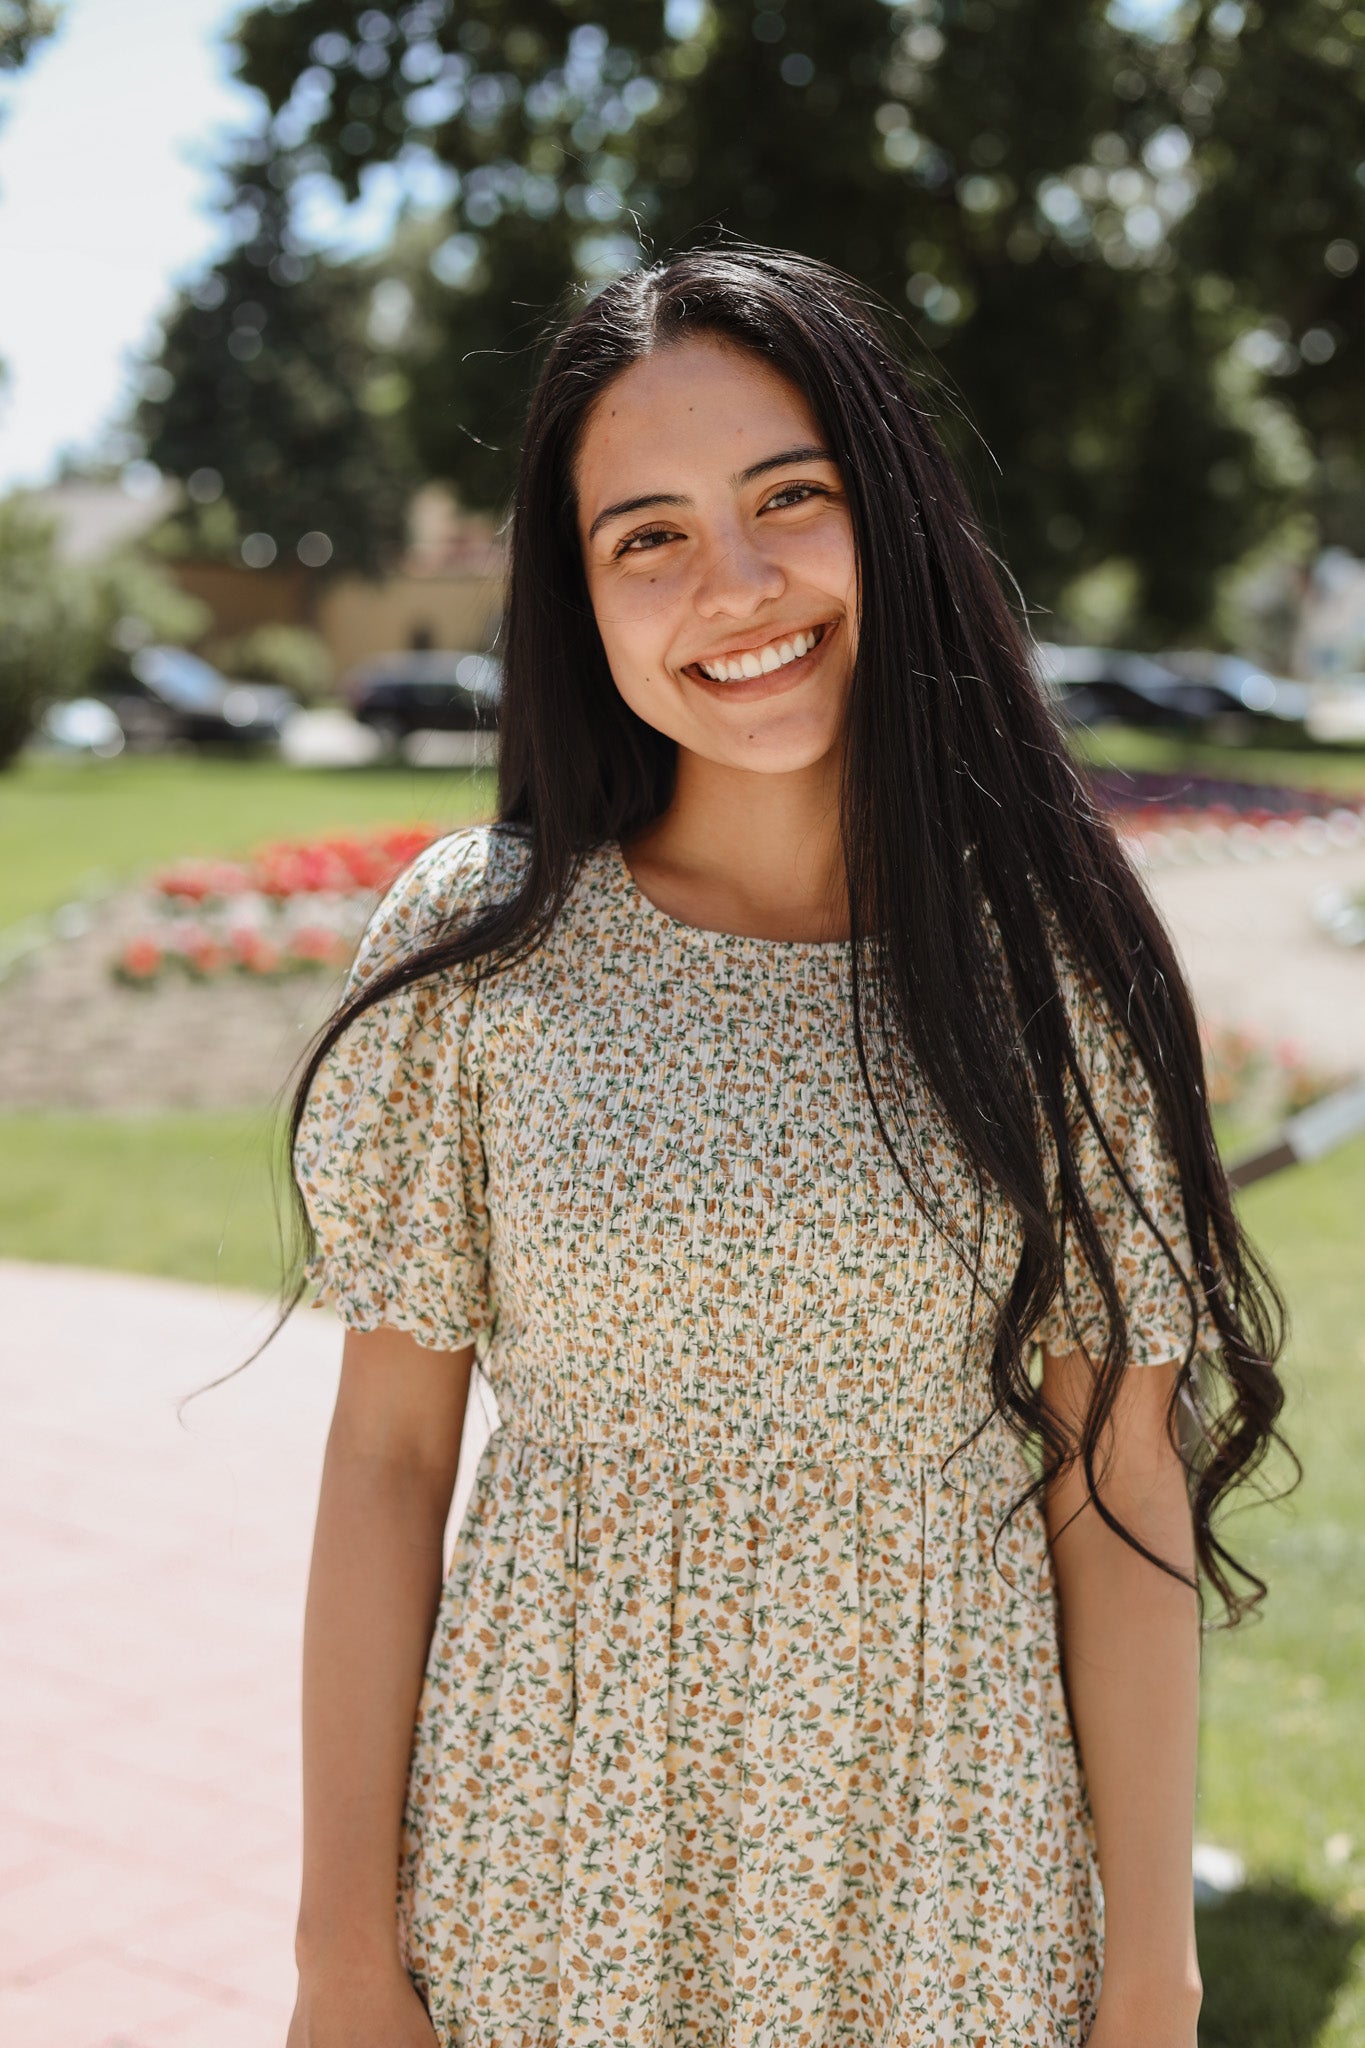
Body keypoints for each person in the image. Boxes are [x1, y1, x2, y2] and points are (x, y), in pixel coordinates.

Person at [281, 244, 1289, 2047]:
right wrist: (342, 1957)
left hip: (948, 1880)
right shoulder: (477, 956)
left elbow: (1116, 1480)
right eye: (645, 535)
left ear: (885, 514)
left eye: (788, 497)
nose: (732, 583)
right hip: (554, 1851)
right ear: (576, 596)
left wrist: (1153, 1975)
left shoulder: (1047, 969)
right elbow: (381, 1465)